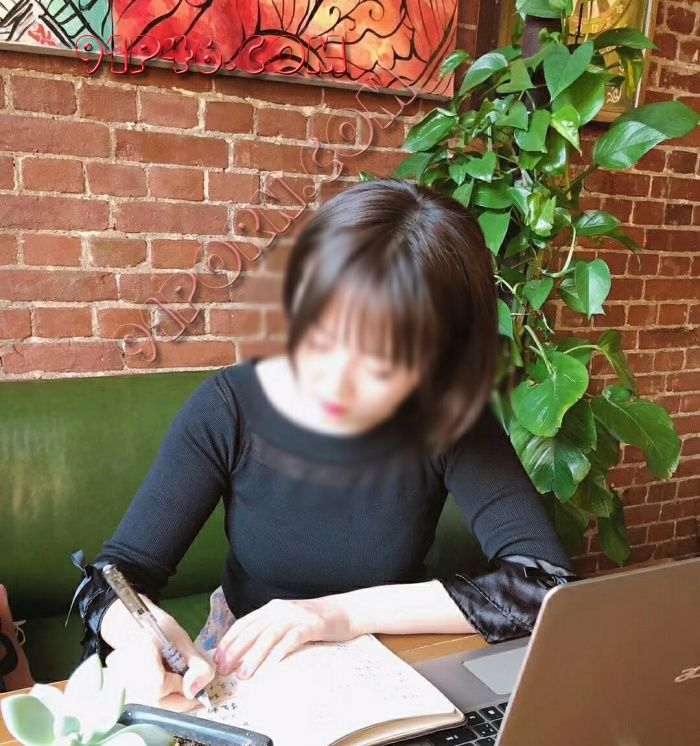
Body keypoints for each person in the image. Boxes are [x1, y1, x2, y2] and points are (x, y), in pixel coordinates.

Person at [67, 177, 579, 714]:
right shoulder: (232, 407)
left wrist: (340, 614)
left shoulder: (448, 415)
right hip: (243, 667)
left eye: (380, 366)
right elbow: (113, 578)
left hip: (383, 659)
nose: (334, 381)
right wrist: (140, 632)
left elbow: (544, 582)